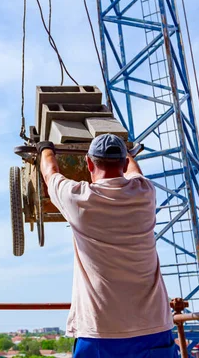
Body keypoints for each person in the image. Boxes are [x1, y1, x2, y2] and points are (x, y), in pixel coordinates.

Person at [36, 134, 177, 358]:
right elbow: (134, 171)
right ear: (123, 163)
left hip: (99, 332)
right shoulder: (145, 193)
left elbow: (49, 173)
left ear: (89, 163)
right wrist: (128, 153)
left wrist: (45, 148)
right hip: (154, 327)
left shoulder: (78, 198)